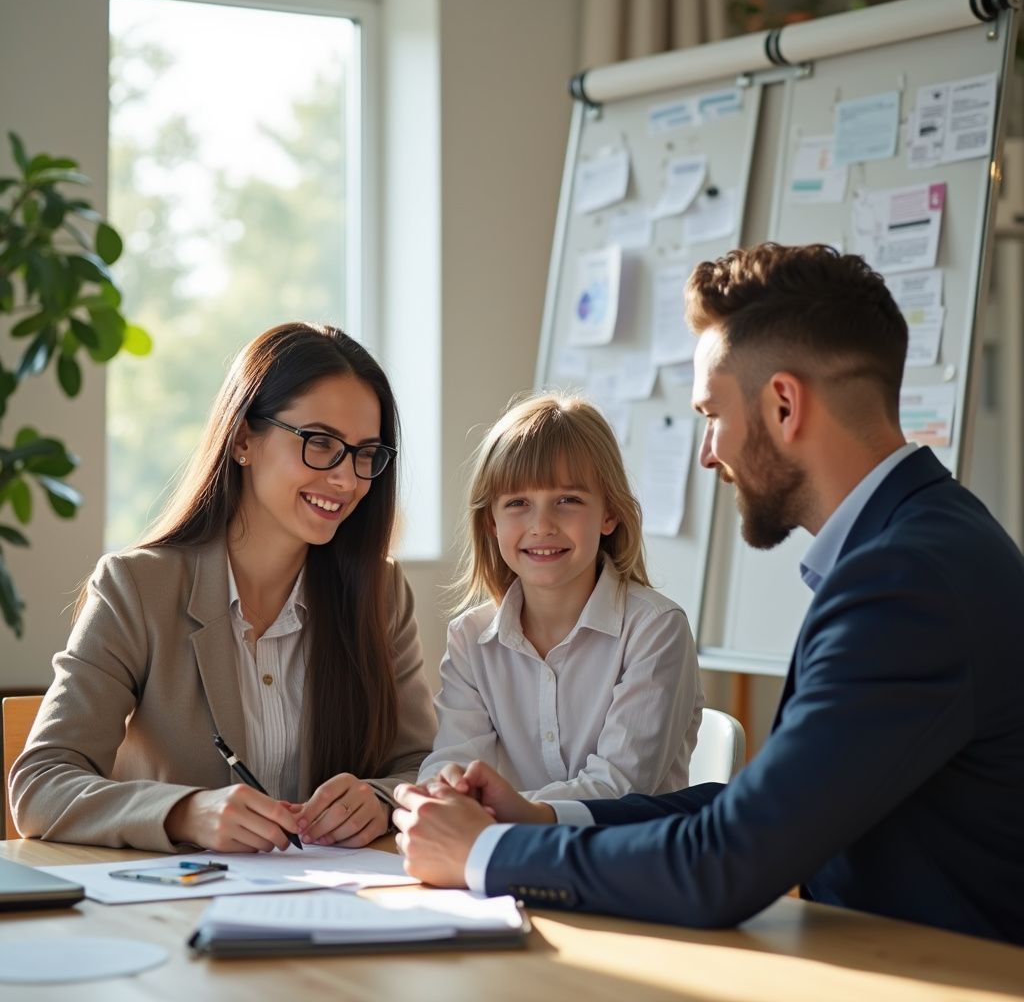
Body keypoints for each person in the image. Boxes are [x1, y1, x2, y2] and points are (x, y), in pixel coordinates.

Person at [393, 244, 1024, 945]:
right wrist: (542, 819)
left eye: (711, 414)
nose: (707, 453)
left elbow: (726, 863)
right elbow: (751, 811)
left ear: (784, 404)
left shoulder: (904, 585)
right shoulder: (919, 544)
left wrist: (485, 853)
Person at [10, 323, 437, 853]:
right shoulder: (137, 588)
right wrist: (186, 813)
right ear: (242, 441)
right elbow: (41, 783)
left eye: (365, 453)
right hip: (173, 911)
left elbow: (422, 765)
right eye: (320, 443)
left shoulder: (380, 591)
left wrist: (380, 799)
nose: (347, 479)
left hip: (338, 906)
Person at [418, 393, 703, 801]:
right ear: (491, 524)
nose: (542, 525)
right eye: (518, 503)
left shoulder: (655, 629)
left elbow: (619, 788)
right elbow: (453, 762)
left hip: (623, 858)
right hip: (511, 854)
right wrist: (441, 795)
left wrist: (501, 809)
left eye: (568, 500)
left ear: (609, 514)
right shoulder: (470, 638)